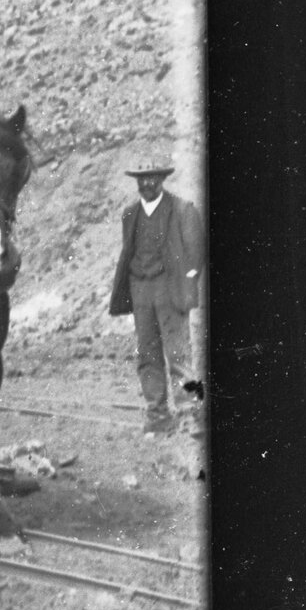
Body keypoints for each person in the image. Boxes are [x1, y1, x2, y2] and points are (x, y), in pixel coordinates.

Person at [107, 163, 204, 435]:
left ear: (162, 179)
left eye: (153, 178)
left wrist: (185, 284)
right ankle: (158, 416)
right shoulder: (129, 213)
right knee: (148, 354)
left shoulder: (183, 209)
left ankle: (190, 415)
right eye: (142, 179)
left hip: (169, 289)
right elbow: (129, 252)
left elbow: (197, 252)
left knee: (178, 353)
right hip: (140, 291)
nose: (147, 183)